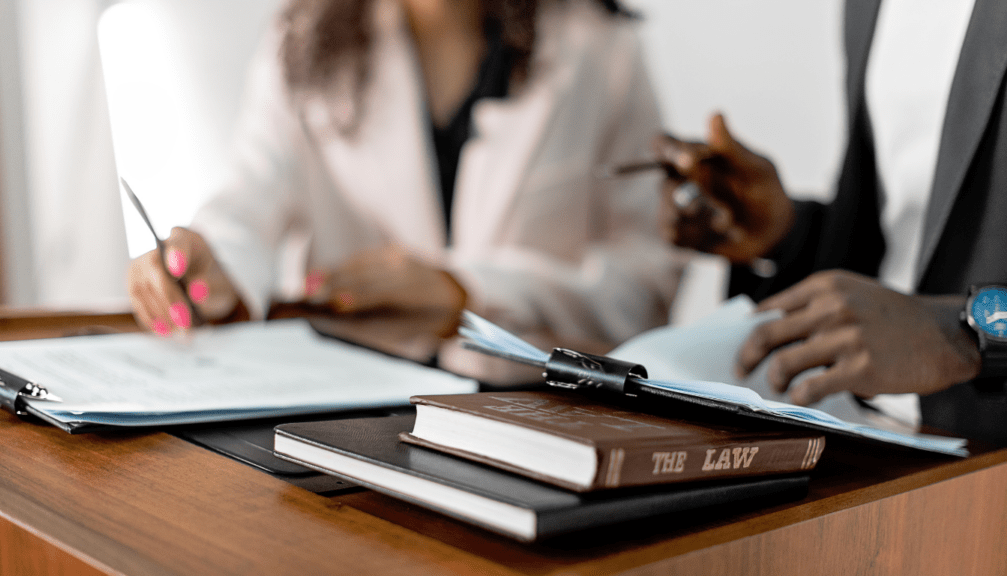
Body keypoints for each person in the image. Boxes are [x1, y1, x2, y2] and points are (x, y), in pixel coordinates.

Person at [127, 0, 683, 381]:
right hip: (350, 403)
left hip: (532, 410)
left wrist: (466, 295)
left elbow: (643, 287)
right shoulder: (301, 40)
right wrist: (215, 261)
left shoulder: (602, 50)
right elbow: (253, 191)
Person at [656, 0, 1007, 443]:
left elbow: (930, 320)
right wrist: (788, 238)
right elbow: (903, 249)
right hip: (877, 437)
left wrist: (966, 333)